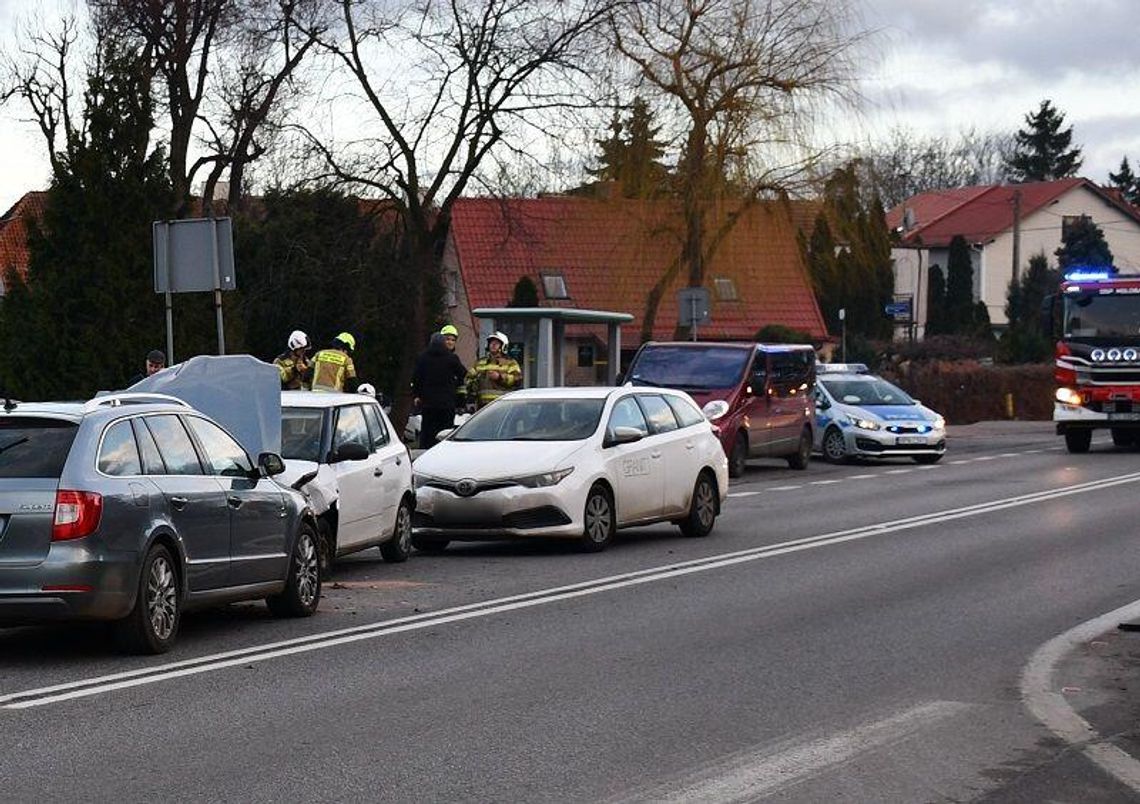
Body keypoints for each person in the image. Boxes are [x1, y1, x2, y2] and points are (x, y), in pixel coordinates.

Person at [412, 329, 468, 449]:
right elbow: (463, 373)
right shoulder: (451, 358)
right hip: (447, 404)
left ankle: (426, 452)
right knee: (445, 432)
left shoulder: (423, 358)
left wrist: (417, 395)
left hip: (428, 404)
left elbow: (416, 378)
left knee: (428, 432)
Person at [466, 331, 521, 409]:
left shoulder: (510, 363)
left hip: (503, 405)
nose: (493, 345)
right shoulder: (480, 363)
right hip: (482, 407)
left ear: (503, 346)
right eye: (491, 343)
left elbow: (517, 379)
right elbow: (468, 379)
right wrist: (475, 383)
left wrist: (499, 377)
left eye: (497, 343)